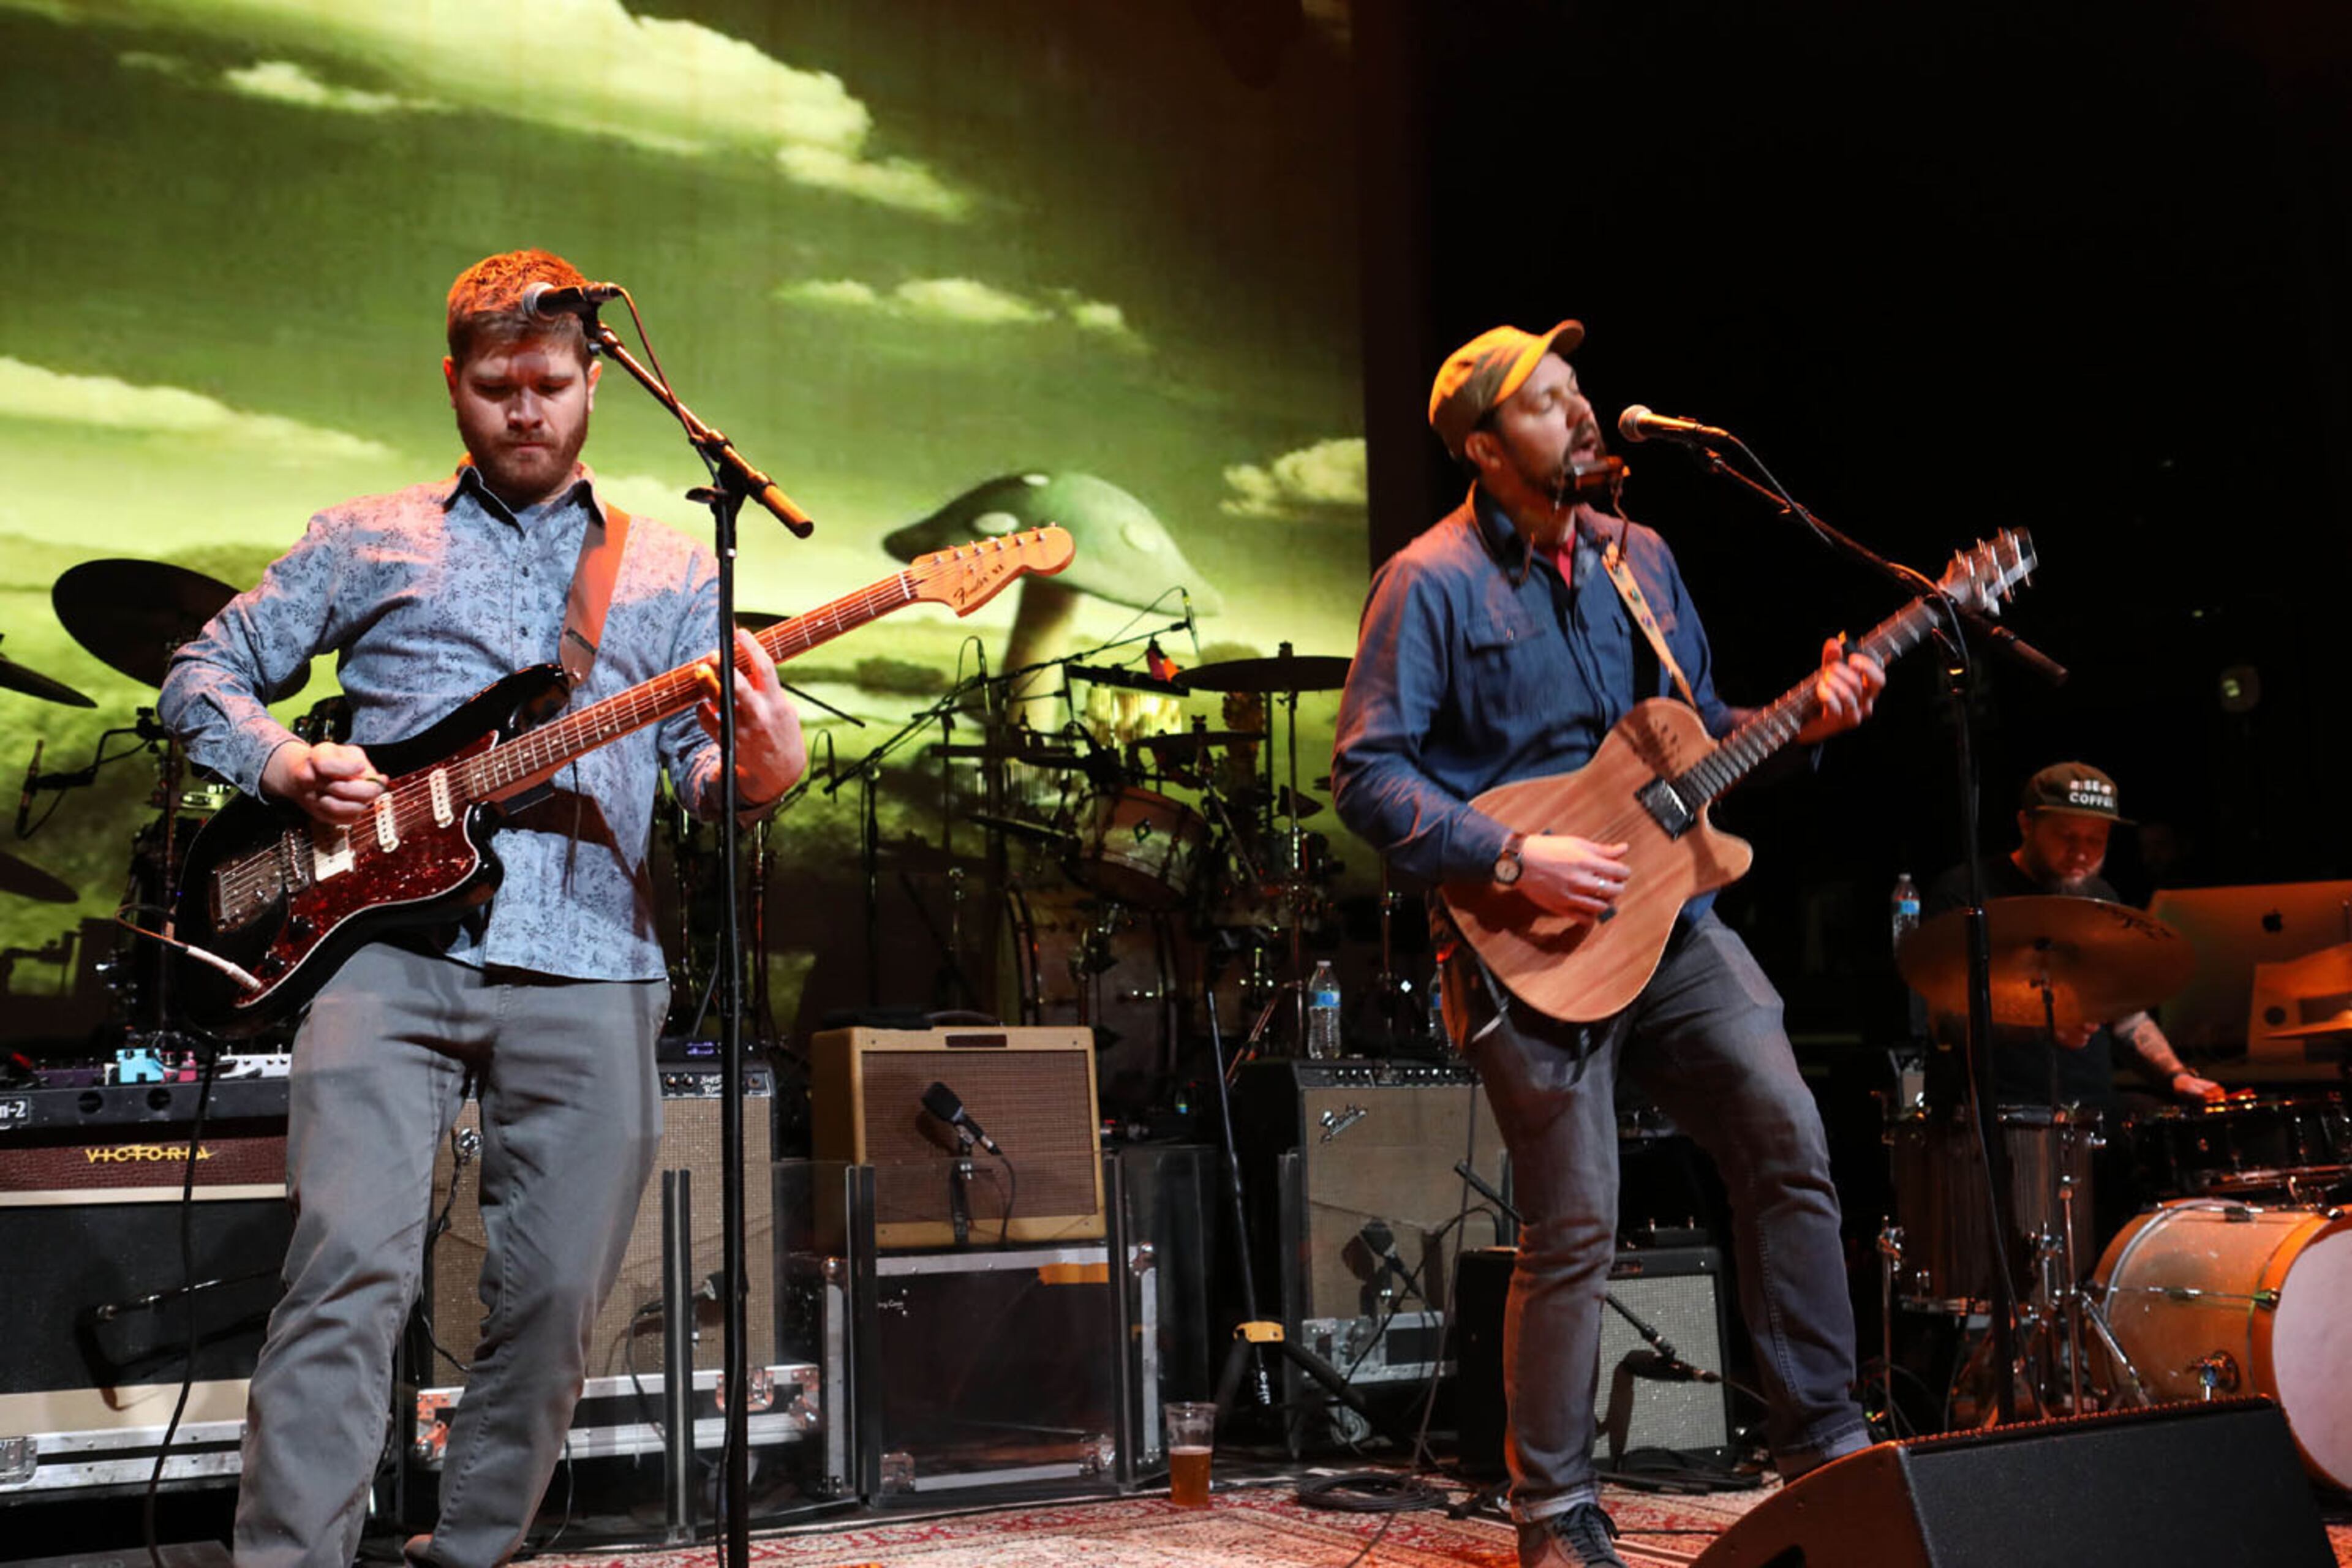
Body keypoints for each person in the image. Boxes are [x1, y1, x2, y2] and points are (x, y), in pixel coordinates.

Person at [157, 249, 805, 1568]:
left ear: (592, 386)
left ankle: (468, 1552)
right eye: (497, 385)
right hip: (378, 952)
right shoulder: (366, 534)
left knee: (559, 1292)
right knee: (346, 1275)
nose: (526, 410)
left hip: (591, 952)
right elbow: (200, 671)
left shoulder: (678, 565)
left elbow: (700, 780)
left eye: (552, 385)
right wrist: (284, 762)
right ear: (453, 382)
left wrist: (756, 774)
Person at [1332, 320, 1884, 1568]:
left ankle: (1828, 1449)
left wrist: (1813, 713)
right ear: (1485, 445)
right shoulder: (1431, 580)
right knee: (1578, 1221)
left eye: (1578, 391)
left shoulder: (1646, 556)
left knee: (1788, 1137)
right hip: (1525, 943)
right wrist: (1513, 854)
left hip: (1676, 921)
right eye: (1546, 401)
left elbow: (1701, 736)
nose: (1581, 414)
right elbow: (1368, 778)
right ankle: (1556, 1508)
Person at [1919, 761, 2220, 1107]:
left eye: (2096, 840)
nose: (2081, 852)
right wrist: (2040, 1027)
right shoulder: (1966, 893)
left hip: (2090, 1110)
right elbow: (1945, 1022)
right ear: (2026, 825)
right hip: (1994, 1115)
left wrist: (2175, 1075)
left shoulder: (2101, 897)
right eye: (2067, 836)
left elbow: (2124, 1014)